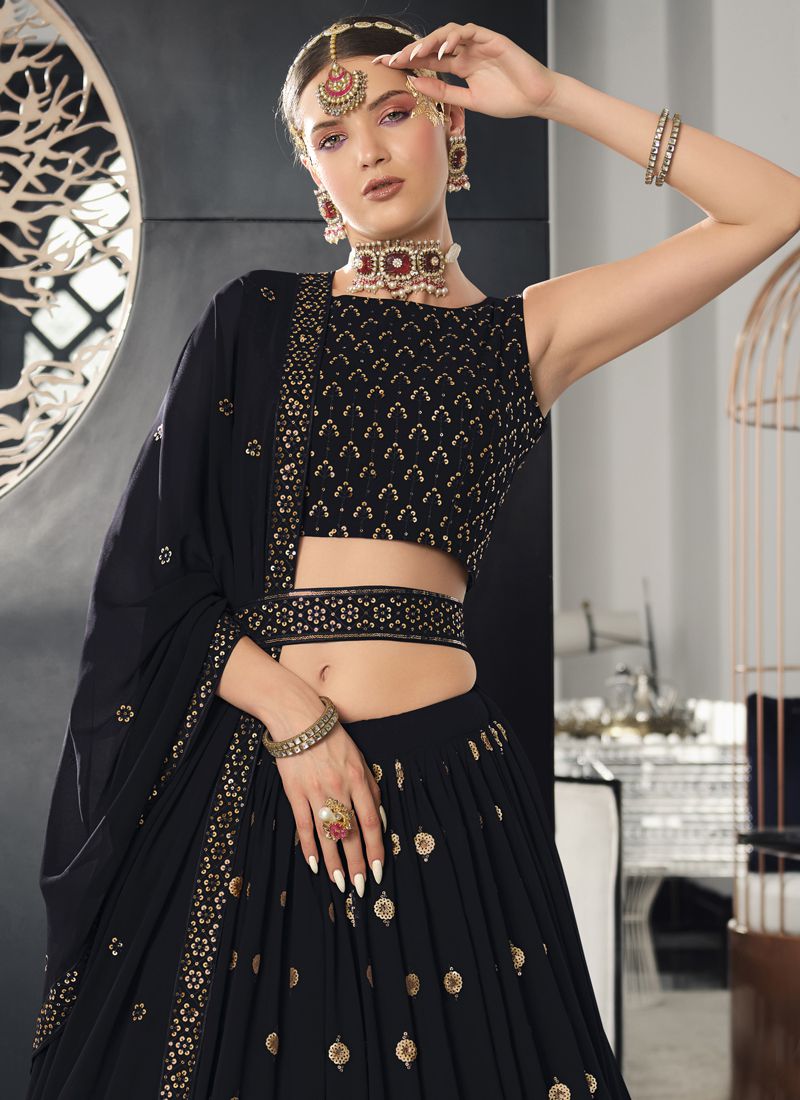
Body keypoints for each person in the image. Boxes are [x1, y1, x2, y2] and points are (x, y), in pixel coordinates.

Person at [25, 14, 800, 1100]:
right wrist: (295, 718)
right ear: (313, 175)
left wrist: (553, 96)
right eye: (330, 137)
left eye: (396, 113)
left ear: (453, 128)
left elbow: (773, 206)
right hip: (254, 774)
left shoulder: (523, 336)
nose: (369, 151)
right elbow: (154, 575)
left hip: (447, 793)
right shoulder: (255, 320)